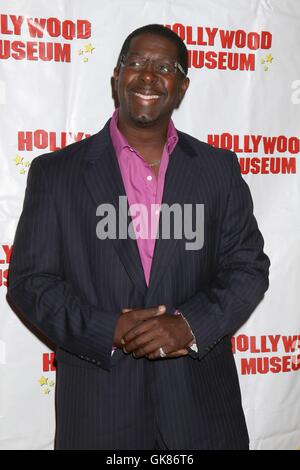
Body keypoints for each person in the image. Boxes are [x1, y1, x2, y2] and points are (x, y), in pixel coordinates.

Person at [8, 24, 270, 450]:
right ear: (116, 75)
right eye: (136, 63)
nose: (148, 76)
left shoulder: (217, 169)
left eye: (165, 67)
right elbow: (30, 282)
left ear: (182, 86)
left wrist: (188, 325)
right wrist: (107, 328)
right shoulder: (56, 173)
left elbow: (248, 267)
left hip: (201, 410)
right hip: (99, 412)